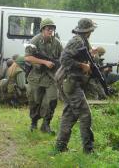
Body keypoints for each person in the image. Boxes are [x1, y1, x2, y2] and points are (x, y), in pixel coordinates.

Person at [55, 18, 96, 154]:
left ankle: (60, 146)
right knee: (85, 114)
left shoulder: (83, 41)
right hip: (69, 81)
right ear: (89, 30)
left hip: (70, 81)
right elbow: (64, 59)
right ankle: (88, 149)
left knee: (69, 113)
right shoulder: (77, 41)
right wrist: (81, 65)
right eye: (91, 29)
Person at [24, 18, 63, 134]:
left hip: (51, 77)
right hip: (36, 76)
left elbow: (62, 58)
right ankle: (34, 122)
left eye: (52, 29)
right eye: (48, 29)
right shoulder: (35, 40)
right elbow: (27, 57)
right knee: (34, 100)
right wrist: (45, 62)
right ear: (42, 30)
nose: (50, 31)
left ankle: (46, 124)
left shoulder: (57, 43)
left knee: (52, 100)